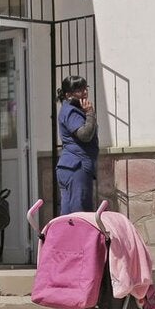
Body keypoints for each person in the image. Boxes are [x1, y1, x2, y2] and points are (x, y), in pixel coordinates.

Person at [56, 75, 99, 216]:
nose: (85, 92)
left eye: (85, 88)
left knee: (69, 214)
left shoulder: (70, 109)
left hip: (71, 166)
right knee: (80, 213)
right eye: (80, 90)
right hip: (76, 167)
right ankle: (78, 239)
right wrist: (90, 113)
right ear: (68, 94)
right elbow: (84, 135)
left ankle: (66, 238)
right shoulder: (71, 111)